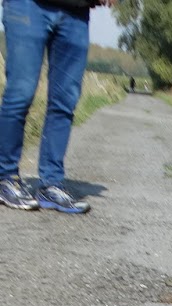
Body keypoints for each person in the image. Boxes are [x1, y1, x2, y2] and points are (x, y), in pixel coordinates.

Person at [0, 0, 117, 214]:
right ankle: (5, 178)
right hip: (27, 5)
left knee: (65, 101)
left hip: (76, 13)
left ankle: (51, 183)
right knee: (21, 93)